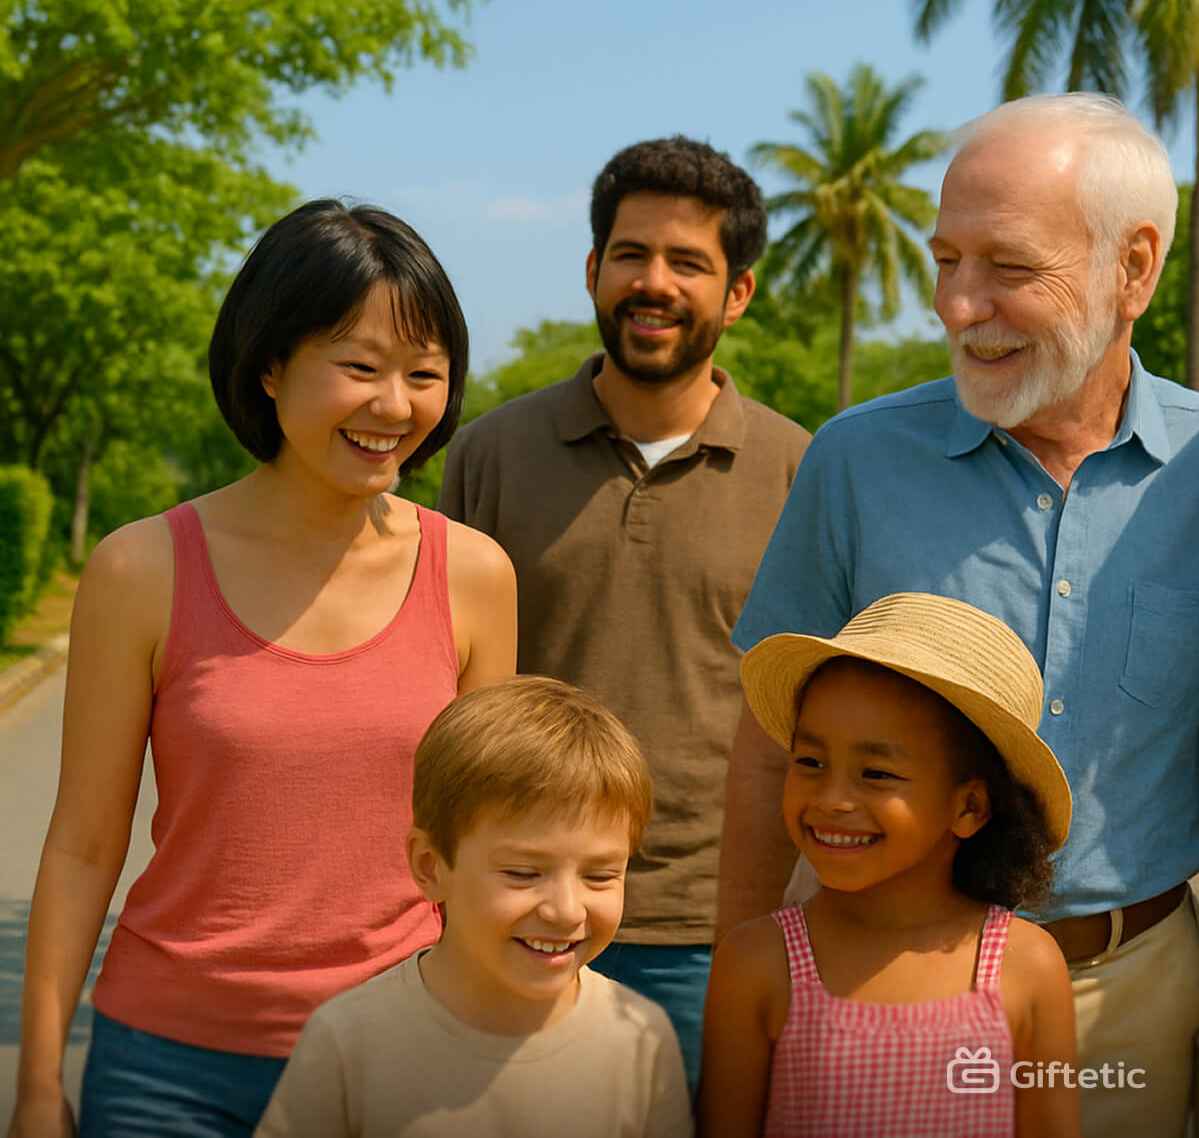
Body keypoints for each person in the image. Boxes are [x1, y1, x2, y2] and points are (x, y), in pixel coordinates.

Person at [720, 92, 1199, 1138]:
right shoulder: (853, 460)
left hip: (1138, 1000)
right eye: (946, 260)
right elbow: (768, 753)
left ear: (1135, 269)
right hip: (869, 993)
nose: (958, 305)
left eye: (1010, 267)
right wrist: (743, 992)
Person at [10, 200, 517, 1138]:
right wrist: (39, 1085)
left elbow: (485, 845)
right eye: (358, 367)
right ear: (270, 365)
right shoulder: (141, 568)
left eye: (424, 374)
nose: (394, 406)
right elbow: (82, 847)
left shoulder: (476, 577)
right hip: (167, 1071)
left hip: (403, 1057)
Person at [437, 136, 810, 1084]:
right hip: (513, 913)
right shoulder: (489, 455)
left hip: (720, 925)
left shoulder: (803, 472)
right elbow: (440, 692)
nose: (656, 282)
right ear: (594, 270)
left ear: (739, 294)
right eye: (633, 255)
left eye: (690, 262)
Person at [699, 593, 1080, 1138]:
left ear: (969, 807)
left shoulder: (1029, 967)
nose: (832, 797)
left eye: (876, 773)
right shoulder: (756, 962)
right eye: (810, 762)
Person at [254, 675, 693, 1138]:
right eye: (523, 873)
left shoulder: (642, 1040)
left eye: (600, 876)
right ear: (430, 866)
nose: (566, 910)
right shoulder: (348, 1043)